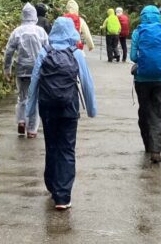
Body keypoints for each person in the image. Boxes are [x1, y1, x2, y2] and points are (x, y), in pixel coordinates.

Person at [26, 16, 98, 209]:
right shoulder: (76, 53)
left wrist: (29, 111)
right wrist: (91, 109)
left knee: (51, 146)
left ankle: (52, 186)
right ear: (71, 32)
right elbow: (87, 83)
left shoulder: (44, 51)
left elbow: (34, 83)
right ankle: (63, 196)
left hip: (47, 107)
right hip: (69, 108)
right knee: (66, 148)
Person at [130, 4, 161, 163]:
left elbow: (133, 57)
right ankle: (156, 150)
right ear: (158, 16)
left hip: (142, 79)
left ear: (142, 17)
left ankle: (148, 145)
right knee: (158, 112)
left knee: (145, 111)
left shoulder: (138, 32)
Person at [3, 3, 49, 137]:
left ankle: (22, 120)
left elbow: (9, 52)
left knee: (22, 97)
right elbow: (48, 50)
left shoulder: (17, 31)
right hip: (37, 70)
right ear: (34, 16)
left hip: (21, 69)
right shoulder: (41, 31)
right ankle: (32, 130)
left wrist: (7, 69)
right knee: (34, 98)